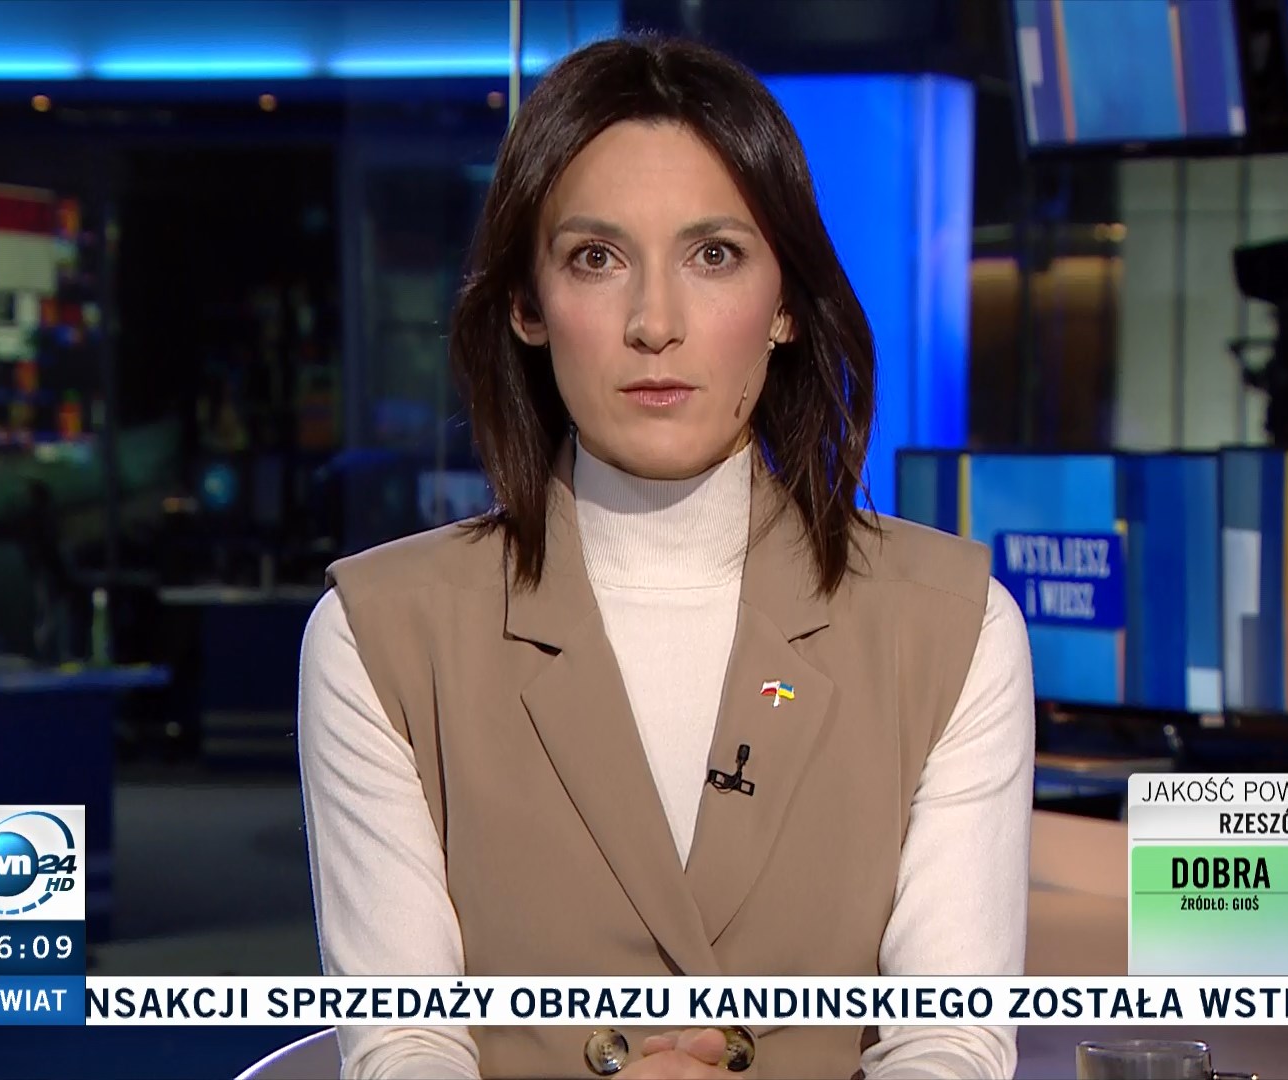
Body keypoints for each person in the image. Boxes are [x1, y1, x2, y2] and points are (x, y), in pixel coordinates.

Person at [298, 33, 1033, 1080]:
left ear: (786, 304)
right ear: (527, 306)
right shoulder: (381, 637)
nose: (655, 323)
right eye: (596, 259)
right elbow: (405, 1045)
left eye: (714, 255)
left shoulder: (952, 628)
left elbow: (948, 1041)